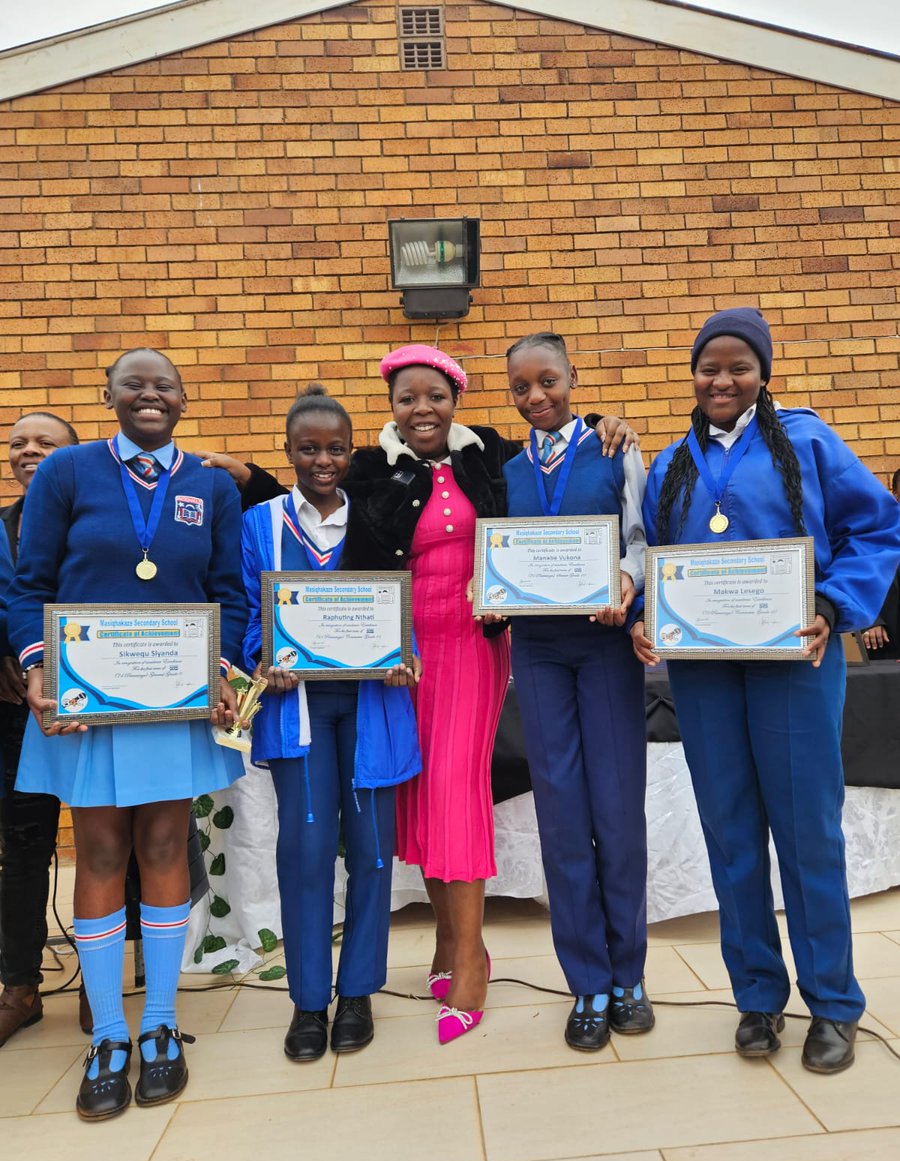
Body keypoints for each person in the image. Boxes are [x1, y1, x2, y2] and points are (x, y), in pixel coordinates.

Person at [203, 346, 635, 1044]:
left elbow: (552, 446)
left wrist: (605, 421)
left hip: (470, 642)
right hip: (394, 656)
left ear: (455, 398)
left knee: (456, 790)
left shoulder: (488, 456)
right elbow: (315, 494)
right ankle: (443, 940)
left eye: (434, 395)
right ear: (393, 407)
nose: (422, 409)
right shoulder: (373, 466)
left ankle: (471, 961)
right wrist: (249, 476)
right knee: (421, 790)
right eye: (408, 399)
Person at [631, 308, 900, 1074]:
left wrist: (831, 607)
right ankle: (756, 997)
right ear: (693, 374)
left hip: (795, 665)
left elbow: (877, 528)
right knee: (732, 831)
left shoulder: (809, 441)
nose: (722, 380)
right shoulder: (675, 462)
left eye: (738, 367)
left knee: (807, 832)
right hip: (705, 672)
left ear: (763, 374)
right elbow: (657, 553)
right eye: (708, 367)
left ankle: (834, 1007)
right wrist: (647, 618)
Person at [5, 349, 248, 1119]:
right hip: (89, 699)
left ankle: (163, 1027)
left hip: (173, 701)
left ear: (183, 398)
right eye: (134, 384)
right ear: (108, 395)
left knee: (167, 848)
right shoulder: (68, 472)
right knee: (102, 849)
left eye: (164, 385)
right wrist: (38, 665)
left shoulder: (208, 486)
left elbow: (230, 594)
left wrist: (223, 670)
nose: (150, 395)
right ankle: (110, 1032)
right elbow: (29, 583)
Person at [240, 385, 421, 1062]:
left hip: (372, 704)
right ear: (287, 451)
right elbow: (243, 608)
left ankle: (360, 990)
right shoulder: (259, 524)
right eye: (308, 448)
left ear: (353, 451)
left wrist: (406, 657)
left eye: (336, 448)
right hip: (300, 712)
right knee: (307, 851)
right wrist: (263, 658)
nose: (323, 460)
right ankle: (310, 1000)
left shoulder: (377, 515)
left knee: (372, 849)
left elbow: (402, 608)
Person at [501, 332, 652, 1052]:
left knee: (618, 809)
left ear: (573, 378)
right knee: (561, 815)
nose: (537, 397)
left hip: (604, 646)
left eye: (548, 381)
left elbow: (641, 536)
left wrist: (629, 580)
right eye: (522, 388)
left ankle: (630, 975)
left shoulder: (617, 449)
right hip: (536, 649)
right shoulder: (504, 468)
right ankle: (586, 982)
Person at [0, 413, 88, 1047]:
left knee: (113, 845)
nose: (29, 451)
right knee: (23, 849)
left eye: (45, 443)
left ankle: (105, 983)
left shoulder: (95, 520)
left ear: (72, 457)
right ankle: (19, 988)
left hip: (97, 708)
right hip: (14, 718)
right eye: (17, 444)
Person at [860, 467, 900, 659]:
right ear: (895, 495)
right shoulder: (873, 534)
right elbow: (856, 578)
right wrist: (870, 621)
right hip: (885, 644)